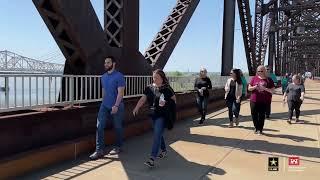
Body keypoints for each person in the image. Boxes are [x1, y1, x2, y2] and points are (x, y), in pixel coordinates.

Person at [133, 69, 176, 168]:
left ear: (162, 78)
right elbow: (143, 98)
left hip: (162, 115)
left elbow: (174, 101)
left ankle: (152, 159)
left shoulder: (167, 88)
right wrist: (137, 107)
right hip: (152, 114)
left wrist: (166, 102)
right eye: (153, 78)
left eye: (157, 78)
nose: (155, 79)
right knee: (158, 134)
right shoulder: (149, 87)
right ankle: (164, 150)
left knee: (156, 134)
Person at [89, 56, 126, 160]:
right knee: (99, 126)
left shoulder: (119, 76)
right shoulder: (103, 77)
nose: (106, 64)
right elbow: (104, 92)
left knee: (117, 126)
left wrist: (116, 105)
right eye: (105, 63)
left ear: (113, 64)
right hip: (104, 105)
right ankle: (99, 150)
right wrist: (103, 103)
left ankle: (118, 146)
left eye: (108, 62)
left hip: (117, 106)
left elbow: (120, 93)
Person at [248, 65, 275, 135]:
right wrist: (254, 87)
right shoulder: (254, 78)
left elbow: (272, 91)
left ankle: (260, 129)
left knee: (261, 115)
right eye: (258, 71)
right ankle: (256, 127)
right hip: (254, 100)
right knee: (254, 114)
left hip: (264, 101)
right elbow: (249, 88)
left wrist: (264, 88)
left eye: (261, 71)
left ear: (265, 71)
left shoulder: (269, 80)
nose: (260, 72)